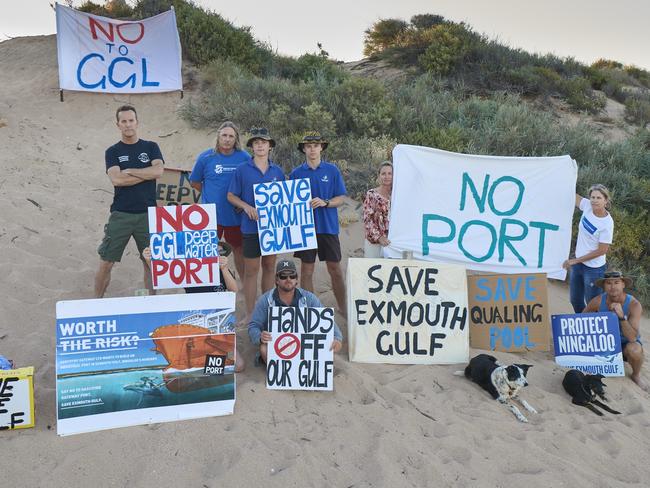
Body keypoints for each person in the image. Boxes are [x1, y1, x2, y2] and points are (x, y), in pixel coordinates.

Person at [94, 105, 164, 298]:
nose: (128, 124)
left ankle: (152, 302)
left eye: (131, 120)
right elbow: (117, 180)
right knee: (106, 261)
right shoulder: (113, 151)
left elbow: (158, 171)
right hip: (121, 214)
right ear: (118, 125)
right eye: (123, 121)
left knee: (150, 261)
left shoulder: (151, 147)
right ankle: (96, 303)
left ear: (137, 122)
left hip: (148, 214)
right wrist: (146, 174)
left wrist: (131, 171)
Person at [141, 244, 245, 372]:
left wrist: (224, 268)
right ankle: (207, 365)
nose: (216, 254)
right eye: (213, 251)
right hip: (199, 325)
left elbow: (234, 289)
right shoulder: (190, 269)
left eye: (219, 252)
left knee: (239, 365)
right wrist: (149, 261)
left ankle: (207, 365)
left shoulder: (220, 269)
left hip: (218, 324)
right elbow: (164, 277)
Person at [227, 128, 285, 321]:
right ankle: (251, 313)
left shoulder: (278, 171)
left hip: (272, 229)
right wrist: (245, 207)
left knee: (269, 266)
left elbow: (285, 199)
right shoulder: (242, 169)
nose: (260, 145)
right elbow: (231, 195)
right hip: (250, 228)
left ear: (270, 146)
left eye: (264, 142)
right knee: (251, 271)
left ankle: (266, 310)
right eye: (256, 142)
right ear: (252, 147)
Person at [289, 132, 347, 316]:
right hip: (305, 228)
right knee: (306, 270)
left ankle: (343, 308)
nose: (312, 149)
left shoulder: (332, 170)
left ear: (321, 147)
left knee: (335, 269)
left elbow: (341, 198)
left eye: (316, 145)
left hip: (328, 227)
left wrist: (326, 202)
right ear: (304, 149)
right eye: (308, 146)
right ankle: (310, 311)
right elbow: (289, 202)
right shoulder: (296, 173)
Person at [248, 259, 343, 363]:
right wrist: (260, 337)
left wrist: (337, 338)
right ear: (277, 280)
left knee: (329, 352)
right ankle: (280, 375)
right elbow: (253, 326)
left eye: (292, 276)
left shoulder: (309, 298)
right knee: (263, 349)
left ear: (297, 279)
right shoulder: (265, 300)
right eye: (283, 276)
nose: (288, 279)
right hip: (278, 345)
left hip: (305, 344)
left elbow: (327, 321)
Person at [189, 121, 250, 281]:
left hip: (234, 215)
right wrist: (210, 196)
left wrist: (241, 201)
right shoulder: (206, 157)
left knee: (239, 250)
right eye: (224, 135)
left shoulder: (244, 157)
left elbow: (249, 181)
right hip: (211, 216)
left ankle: (242, 283)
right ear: (218, 136)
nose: (227, 139)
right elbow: (194, 181)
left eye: (231, 136)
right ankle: (207, 284)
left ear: (236, 139)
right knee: (208, 251)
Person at [583, 271, 645, 390]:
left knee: (635, 350)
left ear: (623, 284)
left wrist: (621, 317)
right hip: (605, 344)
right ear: (604, 286)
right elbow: (581, 319)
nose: (612, 287)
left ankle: (636, 375)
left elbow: (632, 338)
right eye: (608, 283)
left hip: (625, 344)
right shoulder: (598, 301)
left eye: (616, 282)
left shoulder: (634, 305)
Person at [563, 184, 614, 313]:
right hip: (578, 265)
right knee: (575, 300)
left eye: (598, 198)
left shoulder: (607, 223)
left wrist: (575, 260)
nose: (594, 200)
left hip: (594, 269)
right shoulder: (587, 206)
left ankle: (596, 329)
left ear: (606, 201)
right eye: (592, 197)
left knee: (593, 304)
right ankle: (582, 325)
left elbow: (602, 250)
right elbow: (573, 196)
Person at [363, 161, 393, 258]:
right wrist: (379, 237)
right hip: (374, 243)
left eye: (390, 173)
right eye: (383, 173)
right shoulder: (372, 194)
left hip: (392, 243)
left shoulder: (397, 196)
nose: (387, 176)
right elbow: (368, 220)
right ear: (379, 176)